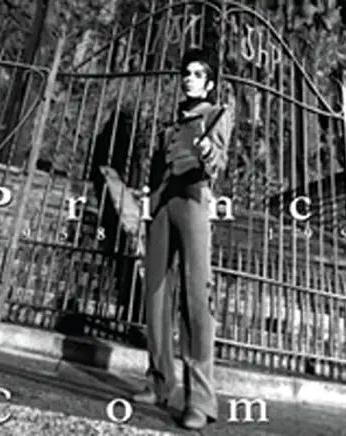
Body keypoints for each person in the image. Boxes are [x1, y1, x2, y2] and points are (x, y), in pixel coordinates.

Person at [132, 48, 233, 430]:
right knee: (155, 293)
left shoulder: (216, 115)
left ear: (209, 83)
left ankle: (200, 400)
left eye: (198, 74)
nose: (190, 79)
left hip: (193, 203)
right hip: (162, 205)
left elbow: (218, 162)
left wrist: (208, 152)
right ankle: (159, 380)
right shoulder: (172, 122)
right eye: (186, 73)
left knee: (195, 300)